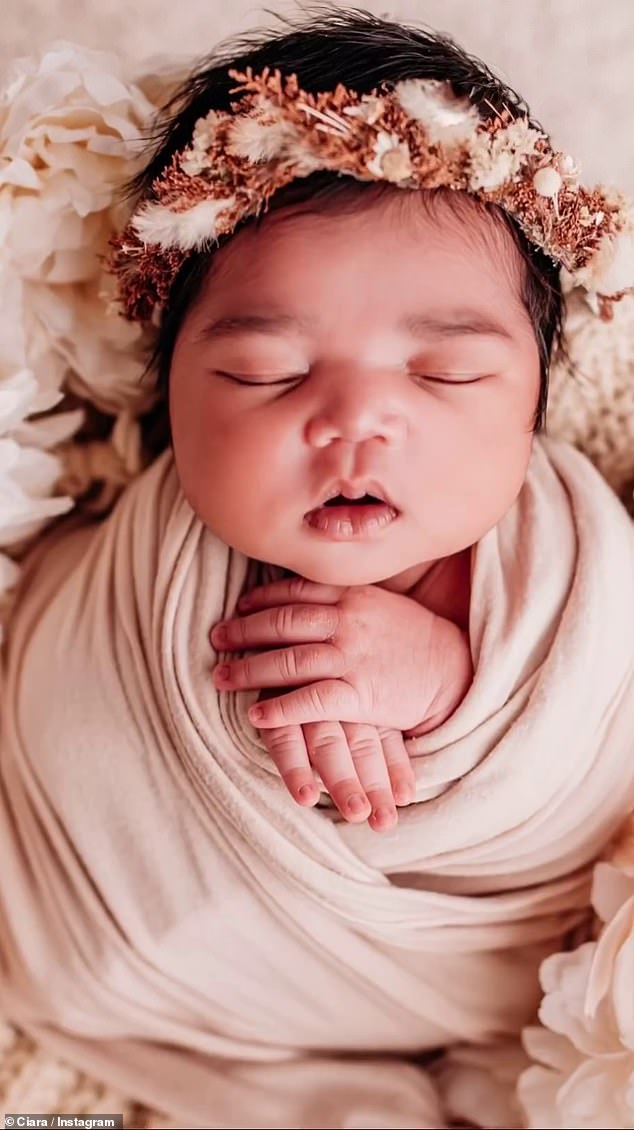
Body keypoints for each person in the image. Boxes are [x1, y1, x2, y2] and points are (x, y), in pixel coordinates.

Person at [1, 10, 633, 1128]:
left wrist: (447, 681)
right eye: (262, 369)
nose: (354, 420)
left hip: (444, 973)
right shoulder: (143, 560)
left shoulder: (571, 566)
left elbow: (591, 754)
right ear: (168, 397)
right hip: (79, 922)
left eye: (443, 373)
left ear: (539, 399)